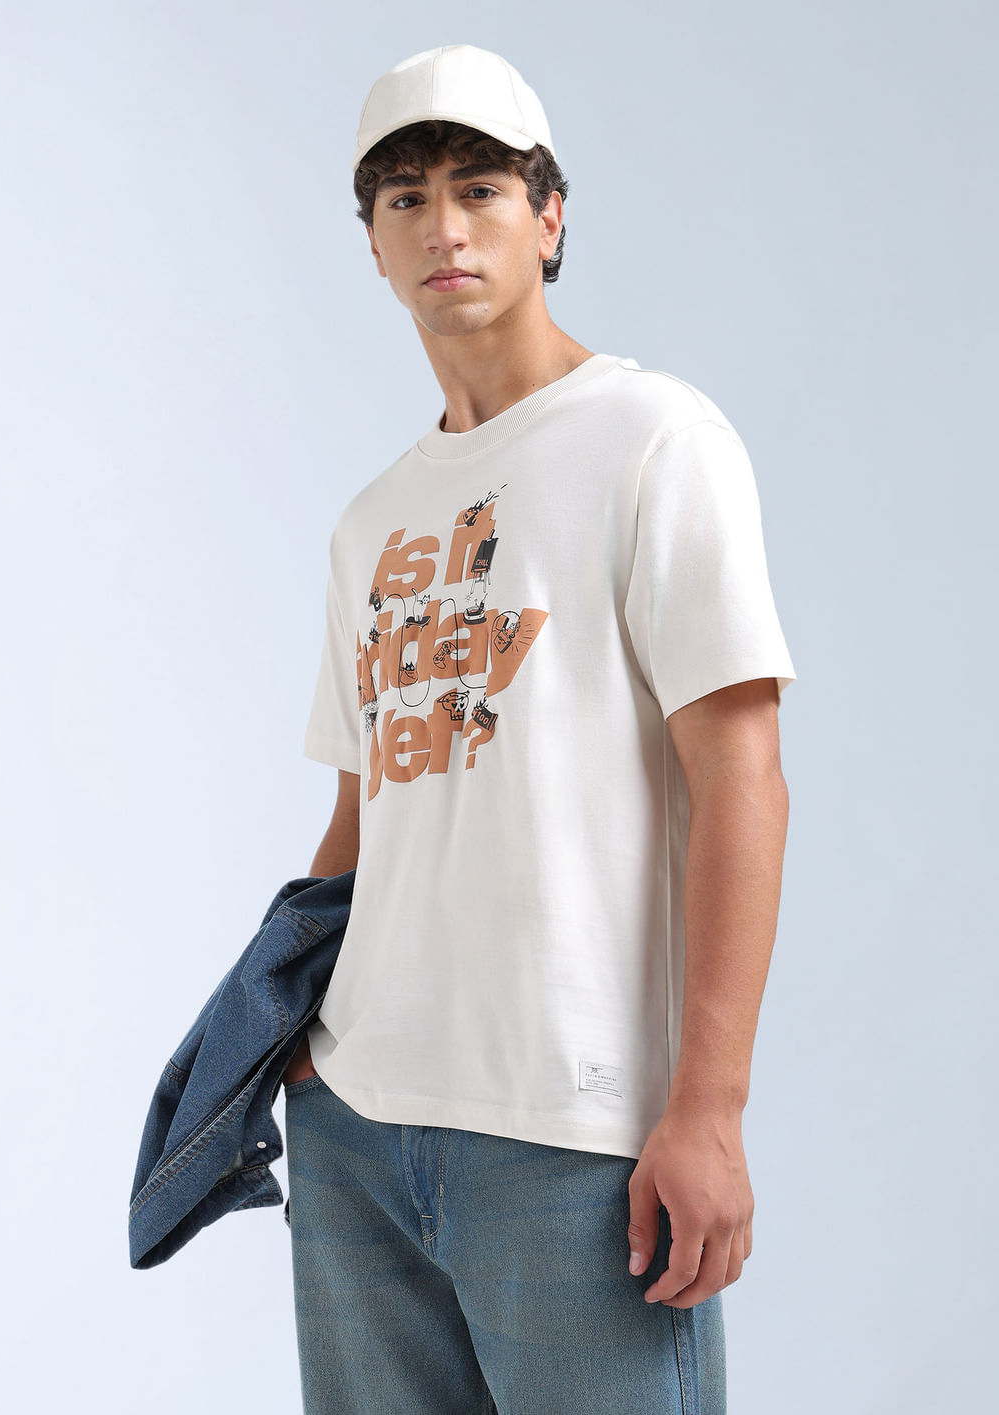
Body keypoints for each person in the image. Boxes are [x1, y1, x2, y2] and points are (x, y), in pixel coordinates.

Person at [280, 42, 796, 1415]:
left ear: (548, 217)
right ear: (373, 247)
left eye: (480, 190)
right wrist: (278, 1038)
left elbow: (740, 774)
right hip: (354, 1125)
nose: (442, 229)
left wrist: (709, 1108)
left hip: (567, 1133)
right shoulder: (370, 521)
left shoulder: (653, 440)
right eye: (404, 200)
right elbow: (362, 816)